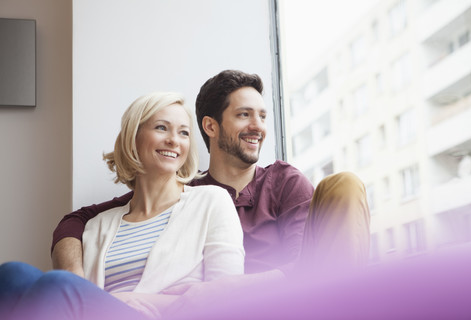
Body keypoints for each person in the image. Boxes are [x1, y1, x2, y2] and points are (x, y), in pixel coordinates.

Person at [51, 70, 370, 286]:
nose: (258, 126)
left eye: (262, 116)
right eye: (244, 114)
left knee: (344, 185)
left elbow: (301, 271)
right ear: (211, 126)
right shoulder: (186, 193)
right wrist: (75, 282)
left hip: (291, 301)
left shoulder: (283, 181)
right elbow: (82, 218)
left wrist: (222, 291)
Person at [0, 92, 244, 320]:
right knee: (12, 274)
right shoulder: (96, 226)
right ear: (133, 137)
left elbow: (226, 298)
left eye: (184, 133)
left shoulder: (212, 201)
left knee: (58, 285)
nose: (173, 140)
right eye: (162, 128)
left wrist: (134, 300)